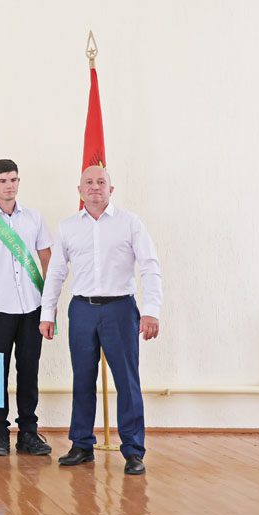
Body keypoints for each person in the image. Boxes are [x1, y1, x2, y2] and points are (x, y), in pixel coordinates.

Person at [40, 165, 162, 475]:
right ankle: (82, 445)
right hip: (82, 309)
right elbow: (56, 273)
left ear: (111, 189)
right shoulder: (68, 227)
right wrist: (47, 313)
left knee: (127, 380)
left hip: (120, 309)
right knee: (82, 378)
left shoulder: (130, 223)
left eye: (101, 182)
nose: (95, 187)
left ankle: (133, 450)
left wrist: (151, 309)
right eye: (89, 182)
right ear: (79, 190)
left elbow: (150, 266)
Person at [0, 159, 53, 456]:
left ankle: (28, 431)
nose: (9, 186)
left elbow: (47, 260)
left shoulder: (34, 218)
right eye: (3, 181)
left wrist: (48, 305)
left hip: (32, 307)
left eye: (14, 180)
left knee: (29, 371)